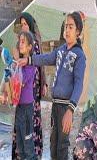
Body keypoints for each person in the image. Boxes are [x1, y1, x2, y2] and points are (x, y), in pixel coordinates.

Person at [17, 11, 86, 159]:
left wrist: (70, 110)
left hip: (65, 107)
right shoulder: (61, 50)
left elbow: (79, 83)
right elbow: (46, 58)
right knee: (53, 142)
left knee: (62, 145)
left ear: (78, 31)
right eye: (65, 27)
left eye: (71, 27)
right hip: (55, 105)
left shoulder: (79, 55)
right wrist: (28, 60)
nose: (66, 30)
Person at [12, 12, 47, 159]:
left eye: (26, 24)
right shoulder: (21, 42)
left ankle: (32, 153)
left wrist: (43, 83)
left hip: (33, 87)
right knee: (21, 127)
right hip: (21, 91)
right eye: (22, 24)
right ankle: (21, 154)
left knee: (30, 124)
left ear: (31, 25)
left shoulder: (34, 43)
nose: (24, 27)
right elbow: (15, 68)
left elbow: (40, 64)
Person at [14, 31, 37, 159]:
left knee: (28, 145)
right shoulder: (17, 64)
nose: (20, 44)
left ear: (29, 47)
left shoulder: (30, 66)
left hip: (27, 109)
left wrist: (17, 62)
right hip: (19, 108)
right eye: (19, 41)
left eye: (23, 42)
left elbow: (19, 82)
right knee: (20, 144)